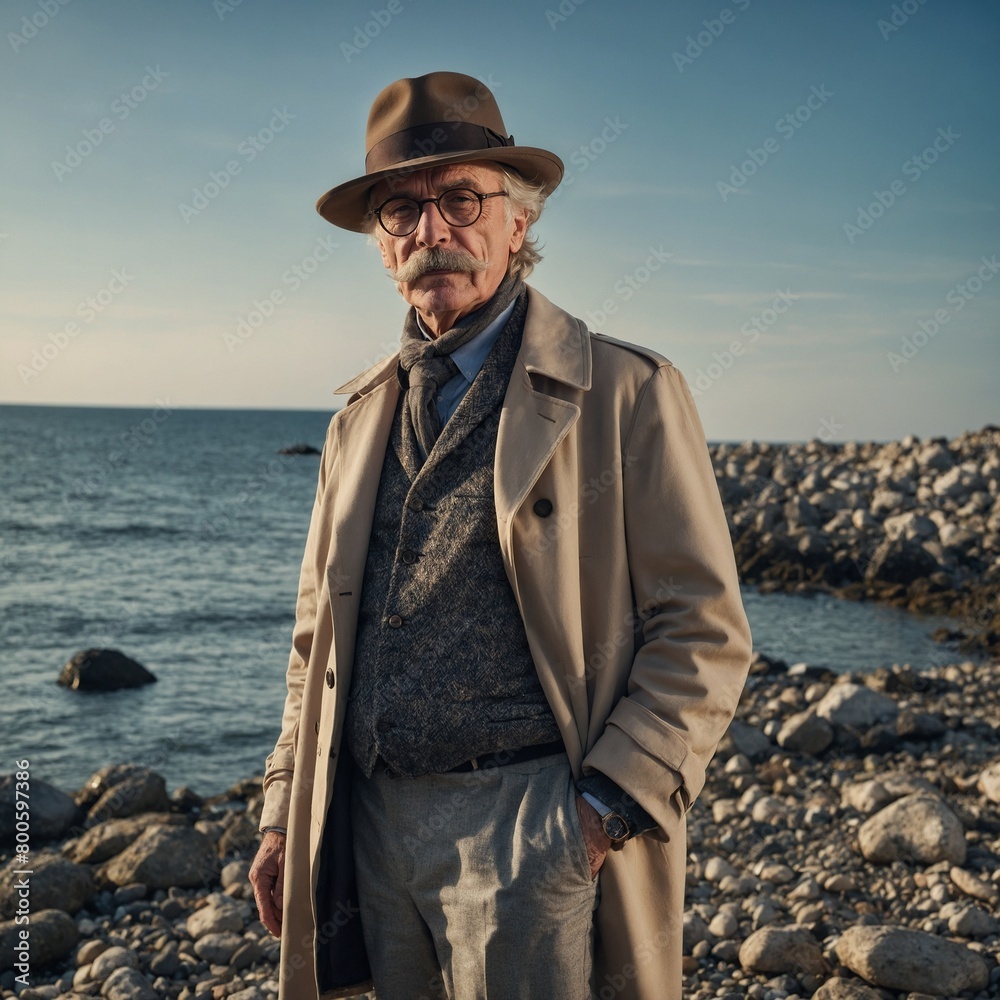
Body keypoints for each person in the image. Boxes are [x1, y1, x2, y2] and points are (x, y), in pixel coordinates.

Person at [249, 71, 752, 1000]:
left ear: (519, 224)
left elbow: (704, 631)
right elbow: (313, 641)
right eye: (402, 210)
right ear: (381, 246)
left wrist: (601, 810)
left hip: (532, 824)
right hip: (367, 822)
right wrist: (286, 812)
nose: (432, 231)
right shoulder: (358, 419)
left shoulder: (627, 392)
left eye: (462, 200)